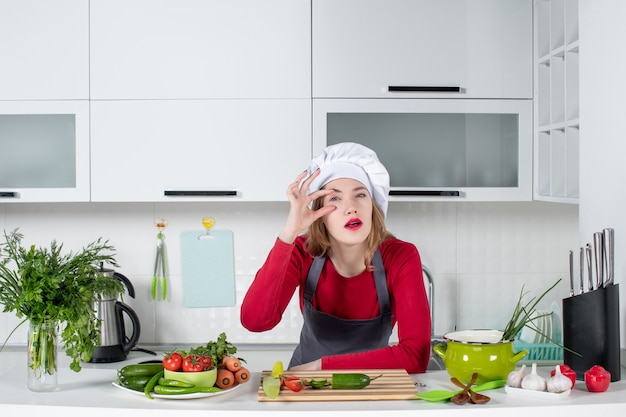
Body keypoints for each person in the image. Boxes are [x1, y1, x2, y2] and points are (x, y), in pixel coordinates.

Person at [240, 142, 431, 373]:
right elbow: (255, 321)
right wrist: (289, 233)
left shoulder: (399, 256)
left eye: (360, 195)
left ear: (373, 206)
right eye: (335, 199)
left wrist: (324, 366)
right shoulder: (302, 252)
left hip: (369, 387)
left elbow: (416, 356)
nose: (351, 208)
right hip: (305, 387)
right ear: (319, 214)